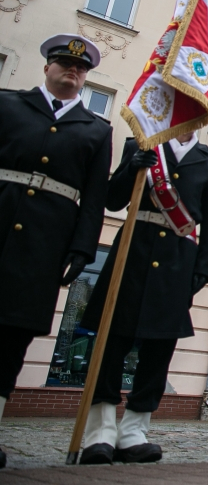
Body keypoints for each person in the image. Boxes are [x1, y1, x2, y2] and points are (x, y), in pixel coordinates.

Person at [0, 35, 112, 470]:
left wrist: (83, 247)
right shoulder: (10, 106)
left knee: (14, 334)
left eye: (81, 68)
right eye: (65, 63)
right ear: (47, 66)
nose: (73, 70)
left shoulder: (95, 129)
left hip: (44, 245)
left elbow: (94, 197)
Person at [79, 131, 208, 464]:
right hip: (133, 250)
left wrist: (203, 265)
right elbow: (112, 200)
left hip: (177, 260)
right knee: (112, 343)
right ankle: (99, 430)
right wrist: (132, 168)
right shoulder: (141, 145)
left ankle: (134, 430)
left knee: (159, 351)